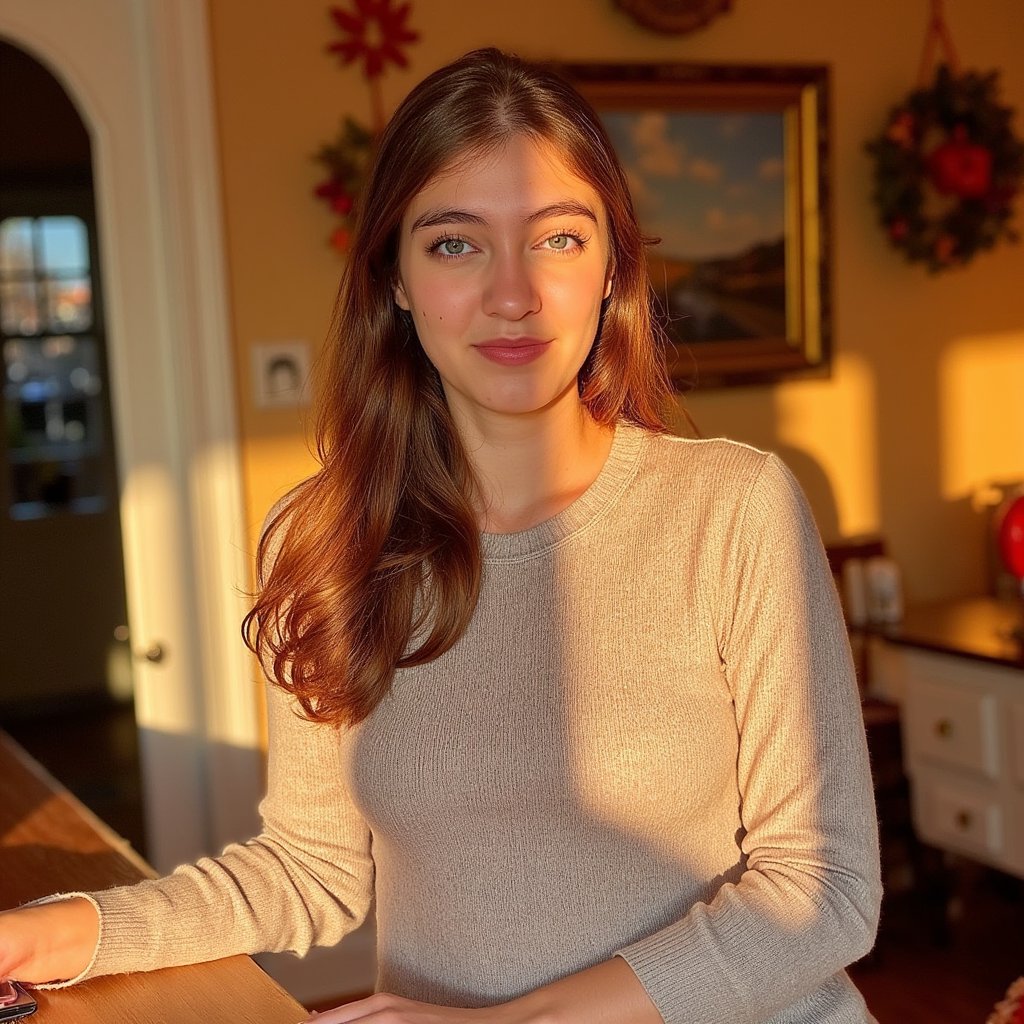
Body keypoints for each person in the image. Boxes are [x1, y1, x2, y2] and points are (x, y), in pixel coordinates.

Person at [0, 48, 881, 1023]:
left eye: (556, 239)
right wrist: (52, 931)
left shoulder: (733, 508)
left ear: (613, 268)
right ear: (396, 280)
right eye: (456, 244)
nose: (513, 294)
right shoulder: (324, 536)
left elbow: (823, 892)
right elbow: (310, 868)